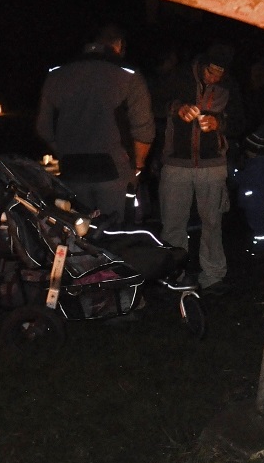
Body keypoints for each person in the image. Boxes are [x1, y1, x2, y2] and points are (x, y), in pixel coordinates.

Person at [36, 25, 155, 230]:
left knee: (78, 231)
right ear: (119, 45)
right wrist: (137, 166)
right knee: (114, 232)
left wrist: (64, 151)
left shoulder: (57, 74)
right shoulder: (128, 74)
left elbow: (44, 128)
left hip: (72, 170)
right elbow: (143, 129)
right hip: (115, 171)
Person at [160, 41, 245, 293]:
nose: (214, 77)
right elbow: (154, 102)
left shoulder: (230, 86)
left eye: (220, 73)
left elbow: (241, 122)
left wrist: (219, 123)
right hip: (176, 164)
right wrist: (177, 108)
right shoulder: (178, 77)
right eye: (211, 71)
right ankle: (173, 275)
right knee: (173, 223)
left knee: (212, 222)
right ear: (202, 65)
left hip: (212, 165)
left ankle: (213, 275)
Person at [232, 127, 264, 257]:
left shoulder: (254, 166)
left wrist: (234, 172)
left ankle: (260, 250)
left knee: (258, 227)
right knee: (263, 226)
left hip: (255, 203)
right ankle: (263, 248)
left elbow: (245, 180)